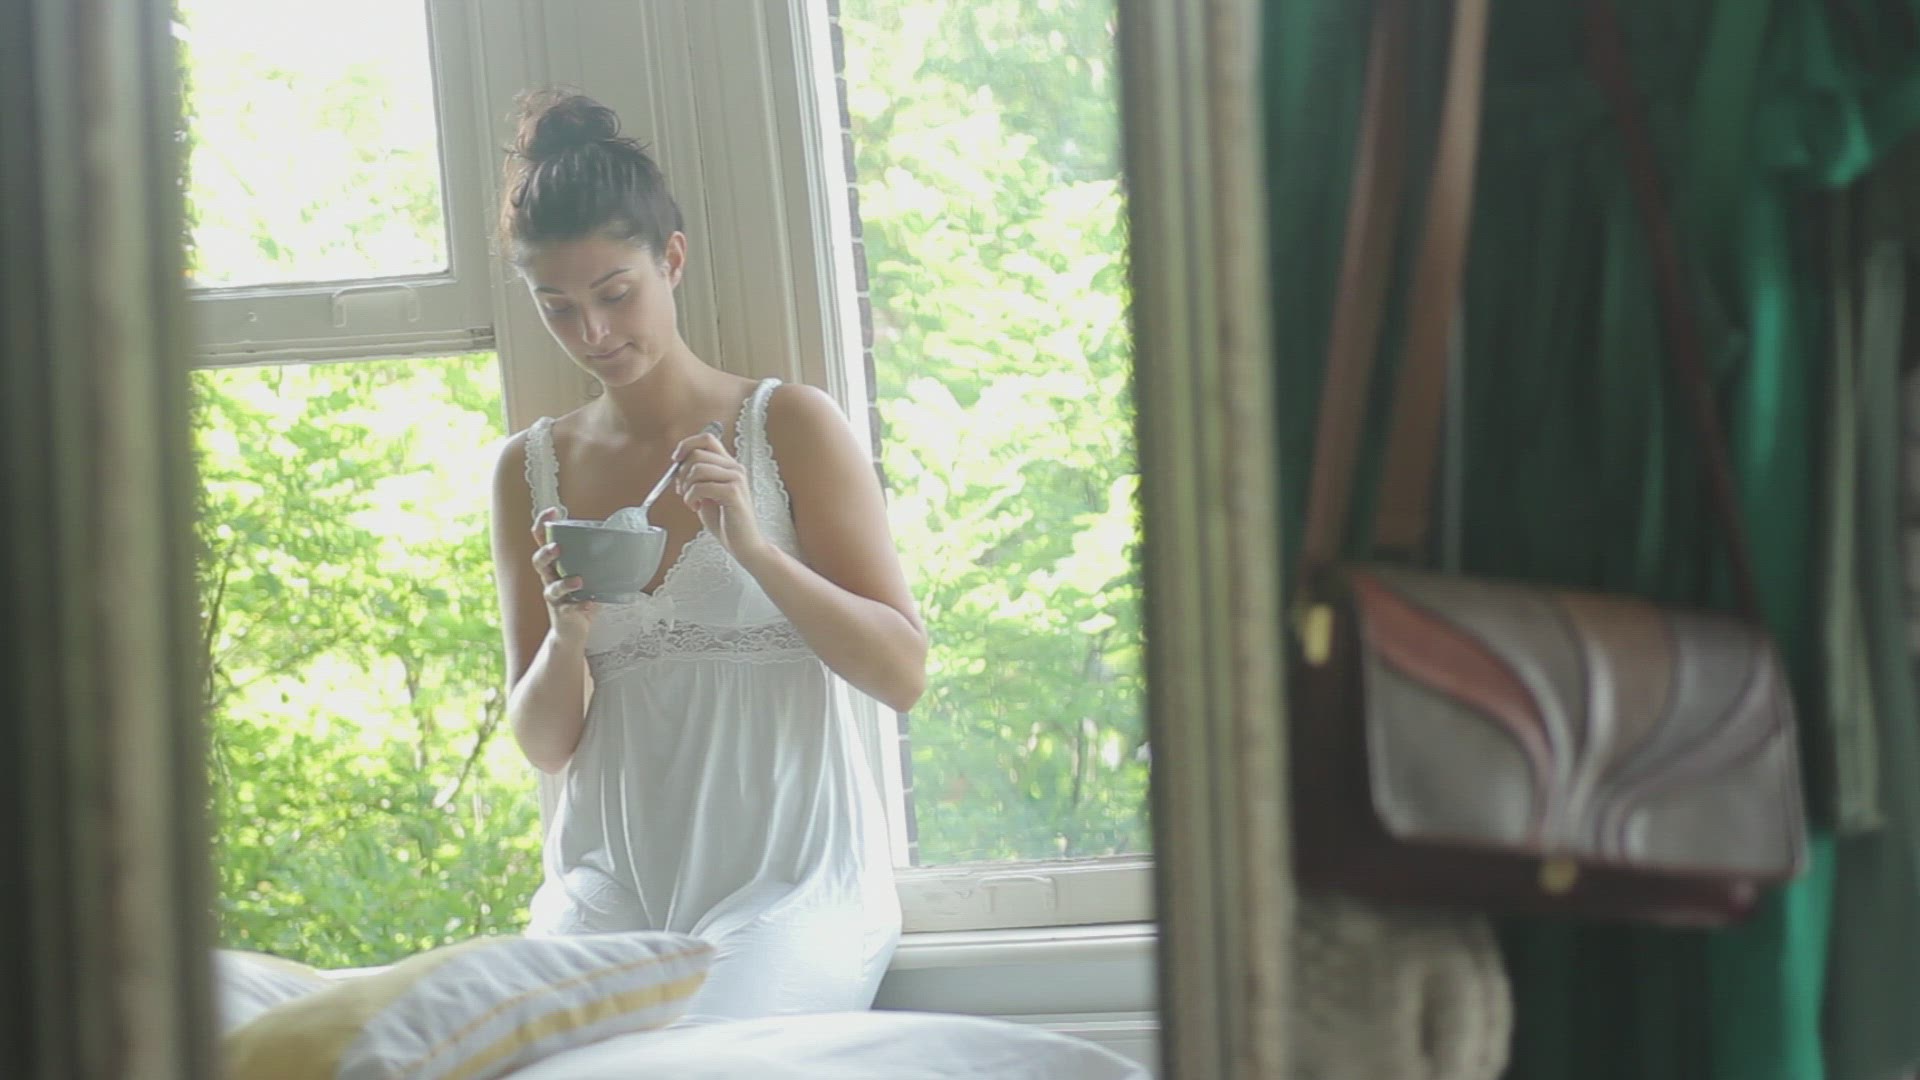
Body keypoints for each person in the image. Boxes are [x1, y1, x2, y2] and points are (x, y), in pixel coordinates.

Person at [487, 89, 923, 1020]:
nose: (593, 334)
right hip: (607, 889)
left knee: (706, 1055)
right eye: (558, 308)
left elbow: (901, 673)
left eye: (615, 295)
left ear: (672, 260)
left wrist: (755, 551)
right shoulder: (528, 470)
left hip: (790, 882)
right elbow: (544, 745)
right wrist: (568, 637)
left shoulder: (786, 425)